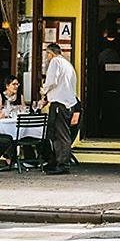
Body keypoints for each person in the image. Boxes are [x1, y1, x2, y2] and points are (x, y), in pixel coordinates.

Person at [40, 43, 78, 175]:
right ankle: (58, 162)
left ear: (50, 53)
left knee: (60, 134)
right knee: (61, 133)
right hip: (68, 103)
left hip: (59, 103)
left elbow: (52, 81)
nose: (47, 57)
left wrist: (44, 90)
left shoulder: (55, 62)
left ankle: (62, 164)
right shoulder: (68, 65)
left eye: (47, 54)